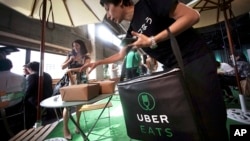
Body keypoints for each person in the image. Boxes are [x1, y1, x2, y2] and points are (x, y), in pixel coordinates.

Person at [81, 0, 229, 140]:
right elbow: (120, 55)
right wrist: (98, 62)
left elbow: (192, 15)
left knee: (210, 115)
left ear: (120, 1)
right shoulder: (131, 32)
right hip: (173, 71)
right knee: (187, 117)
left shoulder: (149, 3)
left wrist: (153, 39)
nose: (107, 15)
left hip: (195, 59)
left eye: (107, 8)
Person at [61, 39, 91, 140]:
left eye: (77, 45)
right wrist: (70, 61)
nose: (75, 48)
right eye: (74, 46)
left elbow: (85, 68)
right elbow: (62, 67)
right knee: (67, 105)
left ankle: (77, 123)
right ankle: (65, 128)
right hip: (69, 82)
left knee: (79, 104)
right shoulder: (70, 55)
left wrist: (70, 69)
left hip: (81, 82)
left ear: (82, 46)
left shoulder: (86, 57)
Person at [0, 59, 26, 140]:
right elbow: (24, 92)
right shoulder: (21, 78)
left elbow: (3, 99)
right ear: (11, 66)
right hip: (17, 109)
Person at [24, 61, 53, 128]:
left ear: (30, 69)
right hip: (48, 97)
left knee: (25, 101)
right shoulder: (47, 75)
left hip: (38, 100)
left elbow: (29, 91)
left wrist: (23, 99)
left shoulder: (32, 76)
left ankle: (28, 124)